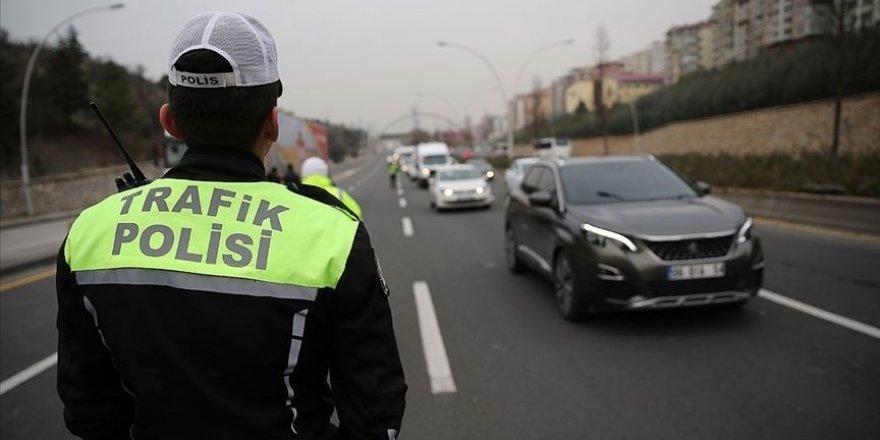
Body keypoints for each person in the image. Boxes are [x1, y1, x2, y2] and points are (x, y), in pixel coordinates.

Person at [56, 11, 406, 440]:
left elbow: (87, 409)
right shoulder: (333, 233)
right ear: (272, 122)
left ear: (169, 121)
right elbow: (377, 415)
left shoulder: (91, 232)